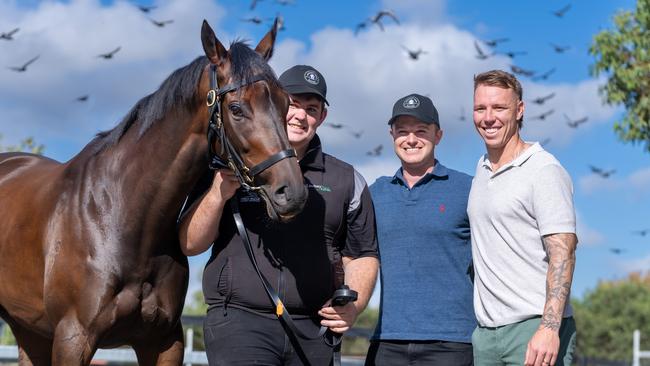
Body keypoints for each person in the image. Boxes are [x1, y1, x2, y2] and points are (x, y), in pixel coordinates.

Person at [178, 64, 379, 366]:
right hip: (241, 322)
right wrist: (218, 193)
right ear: (275, 103)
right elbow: (190, 244)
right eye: (294, 104)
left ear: (322, 117)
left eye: (312, 109)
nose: (301, 115)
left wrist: (355, 305)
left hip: (313, 328)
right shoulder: (226, 165)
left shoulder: (347, 180)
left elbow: (363, 253)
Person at [468, 70, 578, 366]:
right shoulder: (481, 169)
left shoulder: (543, 170)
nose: (488, 117)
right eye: (481, 108)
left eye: (499, 108)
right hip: (487, 336)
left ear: (519, 110)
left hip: (533, 332)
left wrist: (548, 328)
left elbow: (563, 252)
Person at [365, 93, 475, 366]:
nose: (411, 139)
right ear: (392, 135)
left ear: (438, 135)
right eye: (402, 131)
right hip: (387, 341)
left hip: (453, 343)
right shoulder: (374, 193)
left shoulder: (469, 189)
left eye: (421, 131)